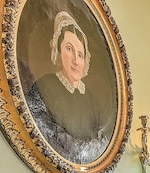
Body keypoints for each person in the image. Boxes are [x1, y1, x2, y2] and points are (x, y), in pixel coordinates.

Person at [25, 11, 109, 164]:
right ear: (59, 49)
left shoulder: (91, 99)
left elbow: (101, 139)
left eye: (80, 54)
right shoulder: (44, 85)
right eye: (69, 49)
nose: (76, 61)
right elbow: (40, 127)